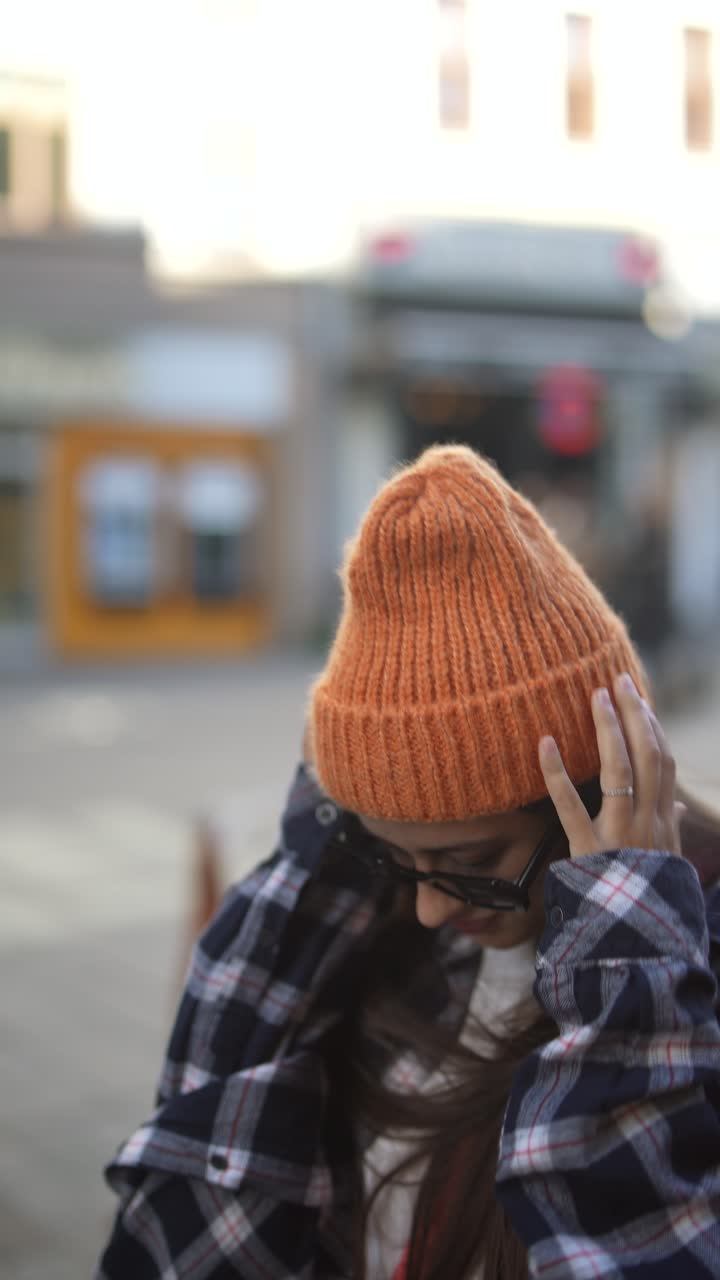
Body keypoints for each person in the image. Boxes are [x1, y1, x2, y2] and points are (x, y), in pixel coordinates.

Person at [96, 445, 720, 1279]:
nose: (427, 908)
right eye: (393, 857)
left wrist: (628, 961)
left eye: (468, 861)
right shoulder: (372, 935)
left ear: (605, 789)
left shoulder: (688, 978)